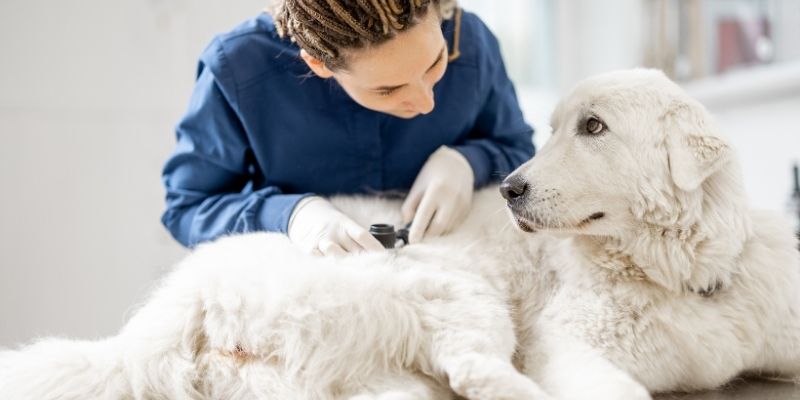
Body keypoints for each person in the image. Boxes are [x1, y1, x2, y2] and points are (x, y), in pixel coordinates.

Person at [161, 0, 535, 256]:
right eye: (388, 89)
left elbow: (518, 148)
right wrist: (290, 215)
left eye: (435, 63)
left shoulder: (469, 40)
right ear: (319, 64)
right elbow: (189, 206)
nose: (425, 104)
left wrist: (469, 162)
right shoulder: (238, 69)